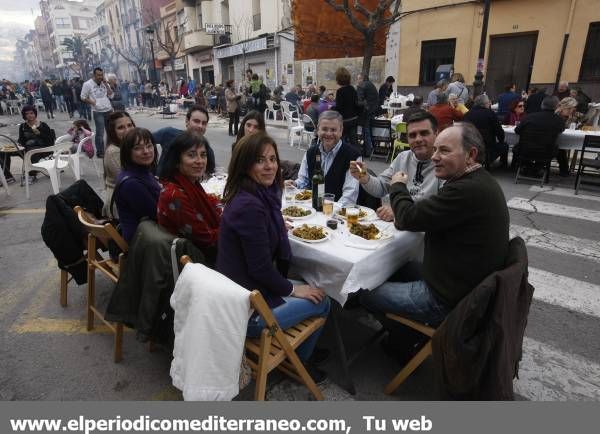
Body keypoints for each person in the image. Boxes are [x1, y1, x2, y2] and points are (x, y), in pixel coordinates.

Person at [361, 122, 509, 326]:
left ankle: (401, 333)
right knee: (388, 267)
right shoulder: (476, 180)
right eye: (436, 149)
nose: (434, 156)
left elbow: (407, 218)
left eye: (444, 150)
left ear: (471, 154)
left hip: (449, 298)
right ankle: (399, 329)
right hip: (452, 277)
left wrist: (397, 185)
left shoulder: (467, 190)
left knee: (362, 290)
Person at [216, 132, 330, 381]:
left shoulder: (257, 196)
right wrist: (291, 289)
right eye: (260, 160)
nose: (269, 166)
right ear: (245, 165)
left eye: (272, 159)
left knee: (309, 284)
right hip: (247, 312)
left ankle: (297, 349)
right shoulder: (250, 205)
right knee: (323, 300)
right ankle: (298, 363)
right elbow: (260, 269)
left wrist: (276, 224)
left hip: (240, 294)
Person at [349, 111, 441, 222]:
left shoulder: (444, 163)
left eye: (424, 133)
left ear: (436, 133)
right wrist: (364, 177)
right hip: (400, 228)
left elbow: (440, 208)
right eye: (412, 135)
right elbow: (381, 188)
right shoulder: (402, 158)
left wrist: (399, 211)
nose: (418, 139)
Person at [158, 132, 221, 263]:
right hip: (194, 262)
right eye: (191, 155)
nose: (199, 161)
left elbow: (209, 202)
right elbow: (207, 238)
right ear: (176, 161)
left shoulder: (189, 182)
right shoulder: (174, 195)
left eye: (203, 155)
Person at [290, 110, 360, 206]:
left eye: (333, 130)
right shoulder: (310, 152)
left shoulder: (353, 156)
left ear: (341, 131)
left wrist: (329, 211)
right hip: (314, 208)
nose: (328, 133)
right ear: (318, 130)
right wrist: (294, 185)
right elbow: (304, 181)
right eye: (324, 129)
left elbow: (349, 196)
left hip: (339, 213)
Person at [113, 128, 161, 243]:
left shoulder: (140, 171)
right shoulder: (131, 184)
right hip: (143, 243)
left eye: (149, 146)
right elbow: (158, 215)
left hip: (150, 234)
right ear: (127, 152)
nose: (146, 151)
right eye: (137, 148)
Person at [153, 105, 216, 178]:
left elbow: (210, 174)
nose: (200, 126)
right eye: (196, 121)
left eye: (204, 123)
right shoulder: (169, 134)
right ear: (187, 121)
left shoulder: (207, 150)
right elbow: (144, 142)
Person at [514, 96, 568, 176]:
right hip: (546, 153)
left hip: (525, 151)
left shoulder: (529, 117)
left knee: (517, 147)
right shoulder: (559, 120)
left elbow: (517, 130)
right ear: (556, 107)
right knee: (560, 149)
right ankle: (563, 172)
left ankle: (527, 167)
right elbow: (561, 130)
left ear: (542, 105)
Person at [4, 105, 56, 183]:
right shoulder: (23, 126)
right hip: (26, 148)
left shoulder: (43, 125)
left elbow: (50, 141)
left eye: (31, 113)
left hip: (42, 149)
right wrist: (18, 144)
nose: (29, 115)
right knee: (3, 153)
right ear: (24, 115)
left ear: (35, 114)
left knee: (31, 151)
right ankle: (8, 176)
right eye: (27, 114)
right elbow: (21, 140)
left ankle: (31, 174)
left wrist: (39, 133)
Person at [102, 111, 136, 217]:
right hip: (120, 206)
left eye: (130, 125)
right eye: (121, 127)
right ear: (113, 132)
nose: (127, 130)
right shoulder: (114, 152)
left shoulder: (127, 147)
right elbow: (130, 184)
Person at [463, 94, 507, 168]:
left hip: (470, 144)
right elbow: (499, 131)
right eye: (488, 103)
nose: (489, 104)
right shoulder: (490, 114)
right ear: (485, 104)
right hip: (487, 146)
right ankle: (502, 165)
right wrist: (501, 140)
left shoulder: (467, 114)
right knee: (505, 145)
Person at [81, 67, 113, 158]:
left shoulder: (104, 83)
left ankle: (111, 149)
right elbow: (82, 97)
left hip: (108, 110)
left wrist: (106, 84)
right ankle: (100, 151)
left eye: (101, 75)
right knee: (100, 132)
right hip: (98, 111)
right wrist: (92, 102)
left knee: (110, 131)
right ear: (94, 75)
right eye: (98, 75)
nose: (100, 77)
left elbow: (111, 94)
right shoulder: (87, 84)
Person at [334, 67, 360, 151]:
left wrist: (331, 108)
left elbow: (339, 107)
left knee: (342, 140)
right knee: (354, 141)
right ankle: (357, 159)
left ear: (338, 79)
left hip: (345, 120)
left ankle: (344, 158)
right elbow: (356, 103)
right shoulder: (353, 89)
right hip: (354, 119)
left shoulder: (340, 91)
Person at [356, 74, 380, 157]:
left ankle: (367, 151)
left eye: (358, 79)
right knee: (368, 130)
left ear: (362, 79)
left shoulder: (362, 85)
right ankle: (370, 149)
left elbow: (359, 100)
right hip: (372, 111)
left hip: (365, 112)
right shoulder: (371, 85)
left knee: (366, 131)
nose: (357, 81)